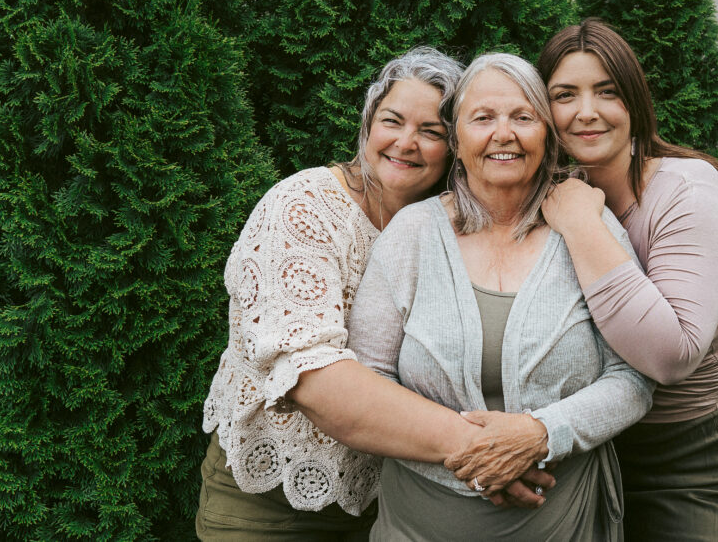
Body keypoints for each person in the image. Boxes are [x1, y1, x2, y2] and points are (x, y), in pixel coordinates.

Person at [196, 48, 551, 541]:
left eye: (431, 132)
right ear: (367, 124)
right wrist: (485, 451)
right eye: (392, 121)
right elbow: (314, 381)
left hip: (391, 500)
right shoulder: (304, 207)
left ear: (454, 149)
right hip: (271, 505)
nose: (407, 143)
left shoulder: (449, 228)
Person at [347, 52, 654, 541]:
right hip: (416, 526)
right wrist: (481, 457)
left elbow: (633, 376)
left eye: (523, 117)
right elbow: (367, 381)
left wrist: (541, 434)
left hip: (563, 526)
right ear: (457, 139)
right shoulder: (412, 234)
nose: (503, 133)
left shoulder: (586, 228)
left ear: (547, 136)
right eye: (483, 118)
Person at [536, 19, 718, 541]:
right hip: (584, 443)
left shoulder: (686, 192)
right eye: (564, 94)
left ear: (634, 102)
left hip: (685, 455)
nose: (585, 112)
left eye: (607, 92)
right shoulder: (553, 192)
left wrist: (580, 224)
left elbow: (673, 354)